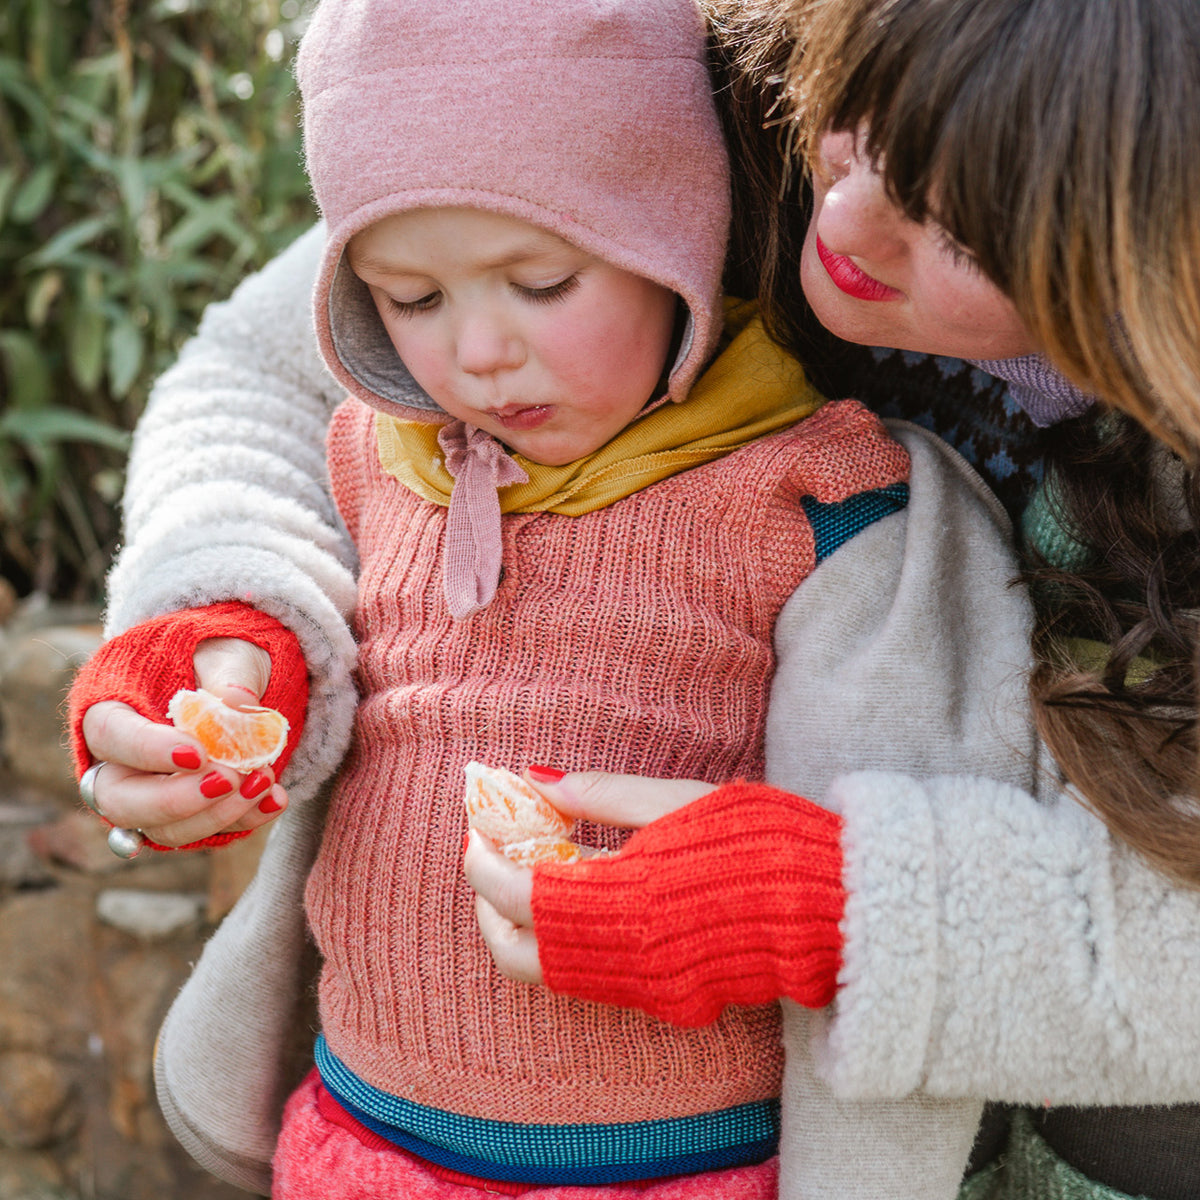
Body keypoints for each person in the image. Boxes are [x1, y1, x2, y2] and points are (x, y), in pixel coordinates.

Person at [65, 0, 1032, 1195]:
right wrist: (229, 642)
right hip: (363, 1139)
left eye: (540, 280)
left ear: (680, 230)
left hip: (677, 1163)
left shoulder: (817, 503)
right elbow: (249, 403)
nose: (476, 352)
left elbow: (895, 865)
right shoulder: (379, 452)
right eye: (409, 301)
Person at [464, 1, 1200, 1199]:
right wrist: (223, 600)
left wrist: (845, 905)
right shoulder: (690, 83)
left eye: (967, 229)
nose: (842, 219)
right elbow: (302, 336)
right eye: (860, 121)